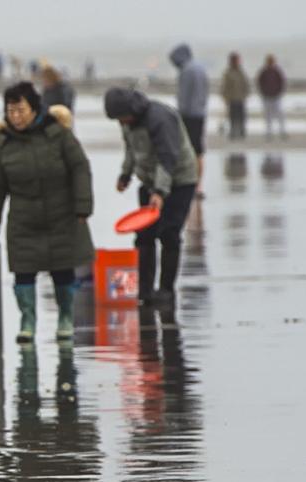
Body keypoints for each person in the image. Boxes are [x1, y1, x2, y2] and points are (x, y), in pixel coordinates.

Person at [0, 82, 94, 343]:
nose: (16, 116)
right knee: (23, 272)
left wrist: (83, 205)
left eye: (21, 110)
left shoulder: (59, 135)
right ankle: (27, 320)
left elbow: (80, 168)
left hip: (61, 215)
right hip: (23, 220)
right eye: (11, 111)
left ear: (34, 109)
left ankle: (65, 317)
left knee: (62, 269)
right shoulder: (3, 144)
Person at [104, 88, 199, 308]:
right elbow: (131, 150)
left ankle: (166, 290)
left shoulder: (160, 118)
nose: (121, 123)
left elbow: (167, 157)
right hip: (149, 181)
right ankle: (144, 290)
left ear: (131, 110)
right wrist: (125, 174)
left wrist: (159, 192)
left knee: (169, 233)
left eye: (121, 117)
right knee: (144, 236)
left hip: (180, 180)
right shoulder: (127, 122)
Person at [169, 43, 208, 195]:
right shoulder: (200, 68)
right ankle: (199, 185)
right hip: (200, 114)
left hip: (188, 116)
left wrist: (179, 115)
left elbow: (183, 98)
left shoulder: (186, 71)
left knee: (188, 150)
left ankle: (189, 184)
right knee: (198, 151)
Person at [220, 52, 250, 141]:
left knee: (241, 116)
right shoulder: (228, 72)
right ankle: (233, 132)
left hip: (240, 98)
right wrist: (225, 97)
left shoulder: (241, 72)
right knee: (232, 116)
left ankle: (241, 131)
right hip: (232, 98)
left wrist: (246, 94)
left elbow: (245, 84)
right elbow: (225, 86)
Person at [257, 55, 287, 140]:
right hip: (267, 97)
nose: (270, 62)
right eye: (269, 61)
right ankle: (269, 132)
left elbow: (282, 82)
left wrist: (279, 92)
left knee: (280, 114)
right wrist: (263, 93)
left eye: (272, 61)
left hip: (276, 96)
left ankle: (282, 131)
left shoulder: (277, 71)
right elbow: (259, 83)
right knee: (268, 116)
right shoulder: (264, 71)